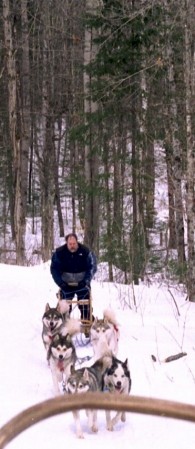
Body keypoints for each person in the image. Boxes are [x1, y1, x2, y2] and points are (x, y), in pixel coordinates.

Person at [50, 233, 97, 321]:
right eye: (70, 244)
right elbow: (54, 269)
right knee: (65, 306)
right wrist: (60, 283)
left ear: (77, 242)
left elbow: (92, 266)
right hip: (65, 283)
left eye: (74, 244)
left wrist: (86, 281)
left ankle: (86, 319)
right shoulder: (59, 252)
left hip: (82, 283)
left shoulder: (86, 251)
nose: (72, 246)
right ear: (66, 243)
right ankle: (64, 322)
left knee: (85, 305)